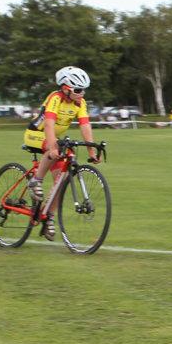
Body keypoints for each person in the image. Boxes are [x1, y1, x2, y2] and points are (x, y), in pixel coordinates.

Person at [23, 66, 99, 241]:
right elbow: (48, 124)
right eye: (78, 90)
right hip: (34, 134)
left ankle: (47, 215)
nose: (82, 94)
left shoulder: (80, 103)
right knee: (54, 147)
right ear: (65, 88)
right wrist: (52, 147)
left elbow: (85, 125)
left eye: (84, 90)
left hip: (53, 137)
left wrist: (91, 150)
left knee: (62, 179)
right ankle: (36, 181)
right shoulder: (55, 98)